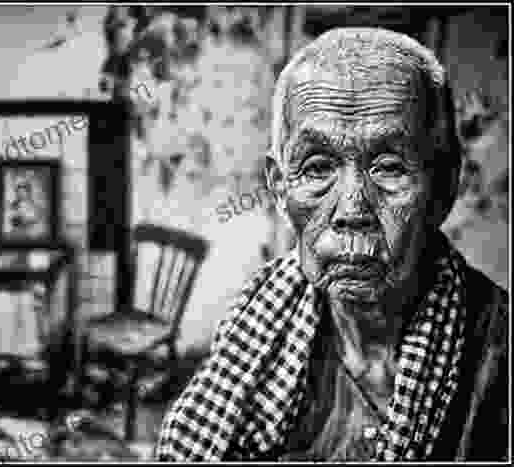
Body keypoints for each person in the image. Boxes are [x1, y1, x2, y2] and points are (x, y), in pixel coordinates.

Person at [155, 27, 509, 462]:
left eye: (390, 167)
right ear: (280, 187)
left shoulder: (497, 356)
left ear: (444, 186)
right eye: (317, 167)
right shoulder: (257, 315)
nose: (352, 209)